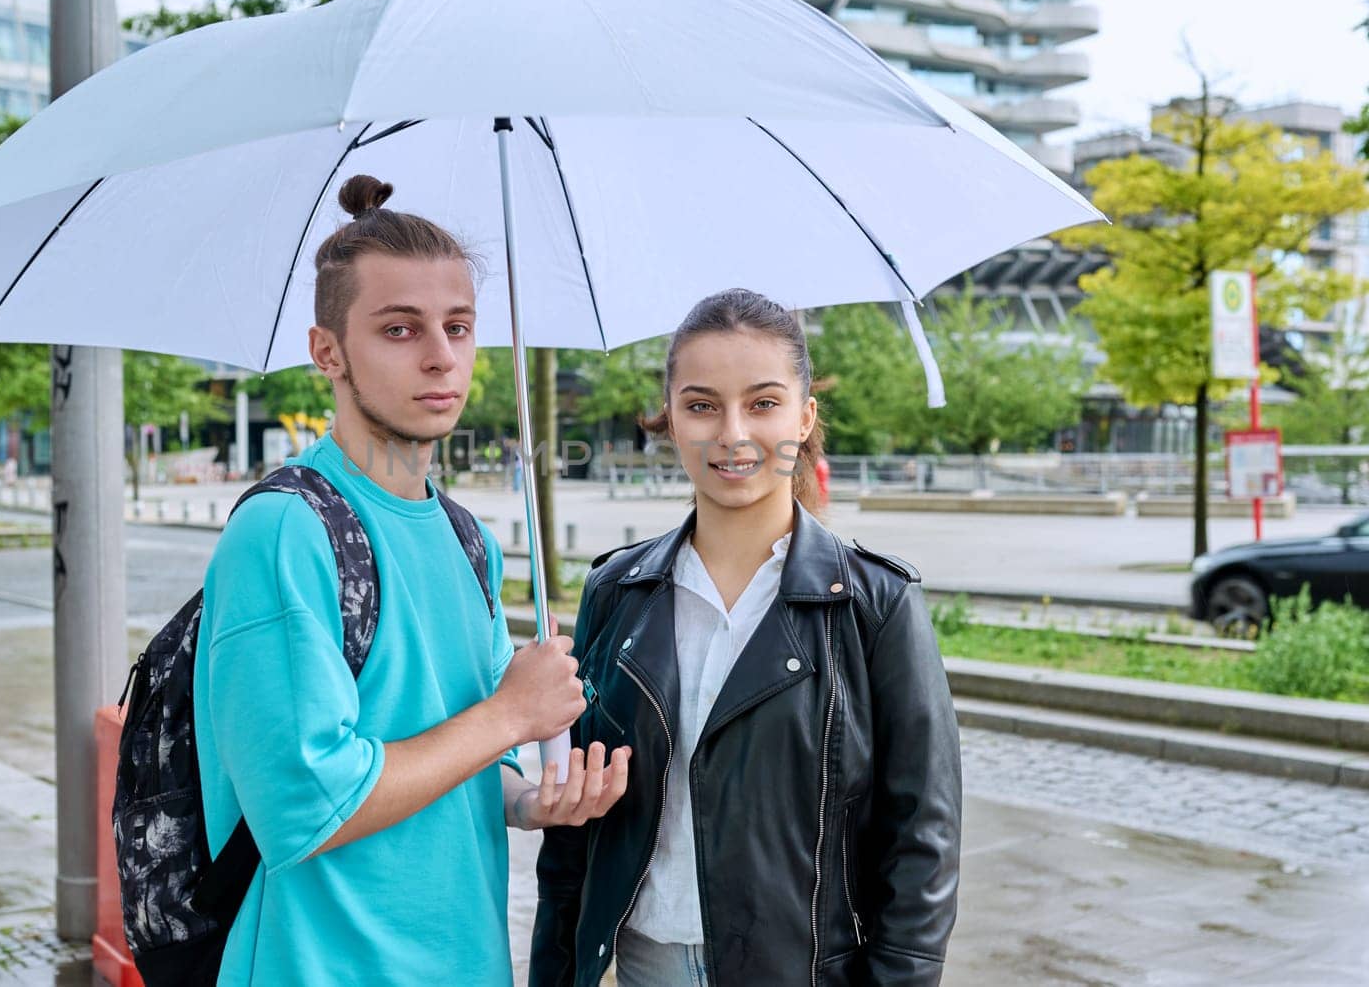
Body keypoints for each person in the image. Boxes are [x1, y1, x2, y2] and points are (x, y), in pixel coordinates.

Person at [195, 175, 631, 985]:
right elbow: (308, 806)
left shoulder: (467, 539)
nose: (441, 355)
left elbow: (458, 744)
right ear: (328, 350)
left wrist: (527, 800)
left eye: (458, 326)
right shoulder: (287, 530)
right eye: (399, 328)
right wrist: (509, 713)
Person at [532, 289, 961, 987]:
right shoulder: (616, 591)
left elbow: (922, 843)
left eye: (763, 403)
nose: (732, 433)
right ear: (670, 419)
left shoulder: (875, 603)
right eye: (701, 405)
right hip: (647, 964)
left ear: (805, 415)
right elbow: (574, 839)